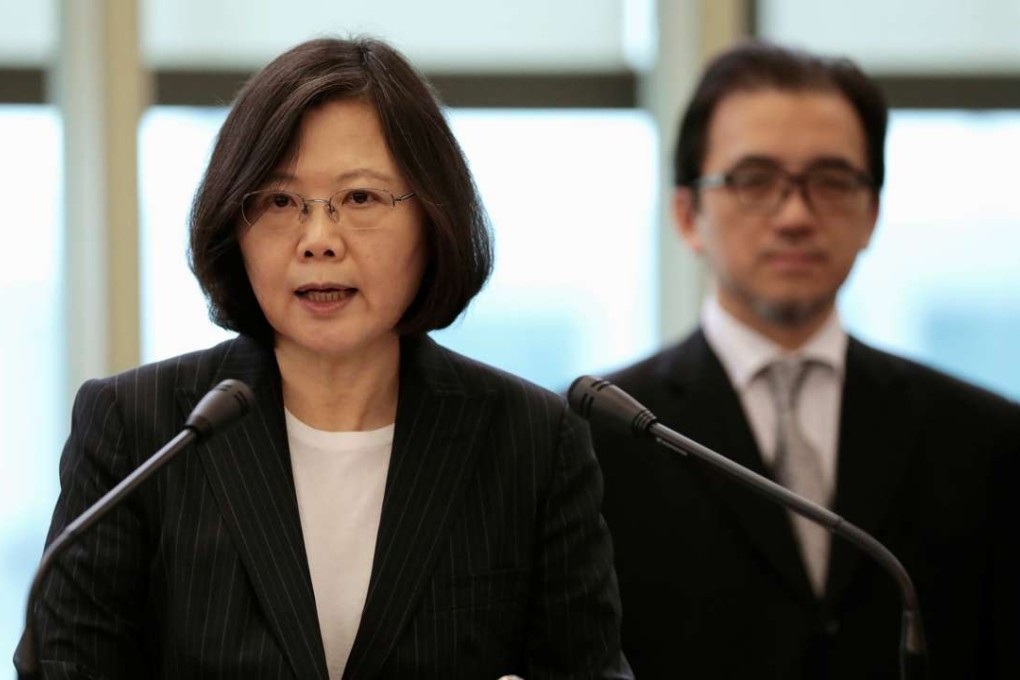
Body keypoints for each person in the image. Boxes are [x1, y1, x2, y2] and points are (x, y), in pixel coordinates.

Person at [23, 37, 630, 679]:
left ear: (434, 219)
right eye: (281, 202)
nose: (318, 240)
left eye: (361, 198)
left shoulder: (531, 440)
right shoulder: (139, 429)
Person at [587, 41, 1020, 679]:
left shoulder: (986, 438)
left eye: (831, 181)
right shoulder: (596, 439)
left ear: (871, 212)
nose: (794, 216)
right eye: (755, 181)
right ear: (688, 214)